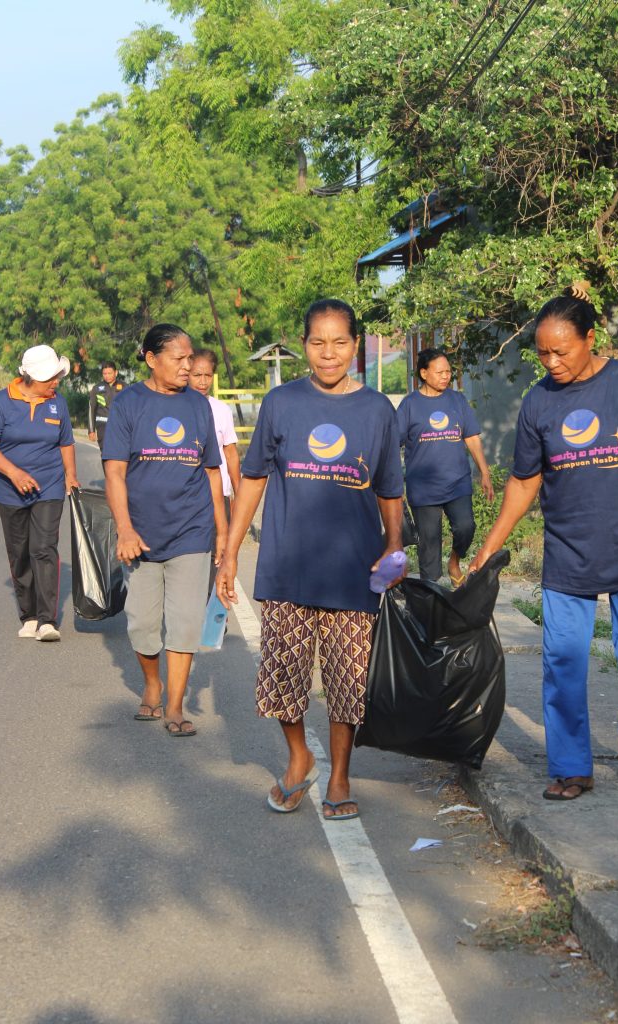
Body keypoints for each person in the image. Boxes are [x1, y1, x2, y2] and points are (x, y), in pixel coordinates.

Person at [216, 298, 405, 820]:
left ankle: (340, 775)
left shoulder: (376, 411)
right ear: (304, 346)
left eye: (339, 342)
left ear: (356, 346)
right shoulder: (281, 403)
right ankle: (299, 757)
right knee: (282, 678)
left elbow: (390, 487)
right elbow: (252, 478)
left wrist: (394, 545)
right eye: (318, 342)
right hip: (287, 566)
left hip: (353, 571)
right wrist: (229, 553)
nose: (328, 353)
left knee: (348, 681)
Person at [470, 285, 618, 801]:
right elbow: (524, 481)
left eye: (562, 350)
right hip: (568, 554)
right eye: (542, 352)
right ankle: (571, 766)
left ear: (590, 338)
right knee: (562, 663)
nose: (552, 361)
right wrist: (490, 545)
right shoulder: (538, 401)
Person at [103, 324, 228, 734]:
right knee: (141, 622)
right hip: (139, 533)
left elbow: (212, 472)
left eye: (190, 358)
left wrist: (222, 533)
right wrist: (124, 529)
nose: (188, 366)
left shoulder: (199, 406)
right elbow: (116, 472)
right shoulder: (127, 404)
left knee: (186, 620)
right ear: (152, 359)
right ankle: (152, 684)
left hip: (191, 530)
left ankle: (175, 705)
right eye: (179, 359)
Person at [0, 344, 79, 641]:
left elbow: (66, 441)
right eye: (51, 378)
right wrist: (14, 472)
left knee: (44, 548)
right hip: (10, 491)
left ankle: (48, 620)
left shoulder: (57, 403)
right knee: (19, 553)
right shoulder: (1, 402)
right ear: (33, 378)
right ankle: (30, 615)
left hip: (49, 486)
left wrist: (70, 474)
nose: (56, 383)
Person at [395, 348, 494, 585]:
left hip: (457, 482)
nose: (446, 376)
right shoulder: (409, 405)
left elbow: (471, 437)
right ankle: (430, 601)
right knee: (429, 547)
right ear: (424, 373)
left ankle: (454, 560)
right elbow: (393, 444)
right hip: (423, 487)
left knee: (465, 527)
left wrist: (485, 472)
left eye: (449, 371)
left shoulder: (457, 400)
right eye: (440, 372)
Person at [188, 347, 241, 594]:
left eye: (207, 375)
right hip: (191, 496)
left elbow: (230, 452)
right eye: (197, 375)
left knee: (219, 554)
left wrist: (239, 493)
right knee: (193, 555)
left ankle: (216, 616)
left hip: (219, 495)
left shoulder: (221, 410)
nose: (202, 381)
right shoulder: (180, 407)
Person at [88, 361, 125, 449]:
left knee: (121, 454)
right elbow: (91, 410)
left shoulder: (125, 387)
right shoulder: (96, 388)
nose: (107, 376)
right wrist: (91, 430)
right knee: (106, 454)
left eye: (109, 373)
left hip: (120, 427)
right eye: (104, 373)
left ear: (116, 372)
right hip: (103, 428)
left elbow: (131, 409)